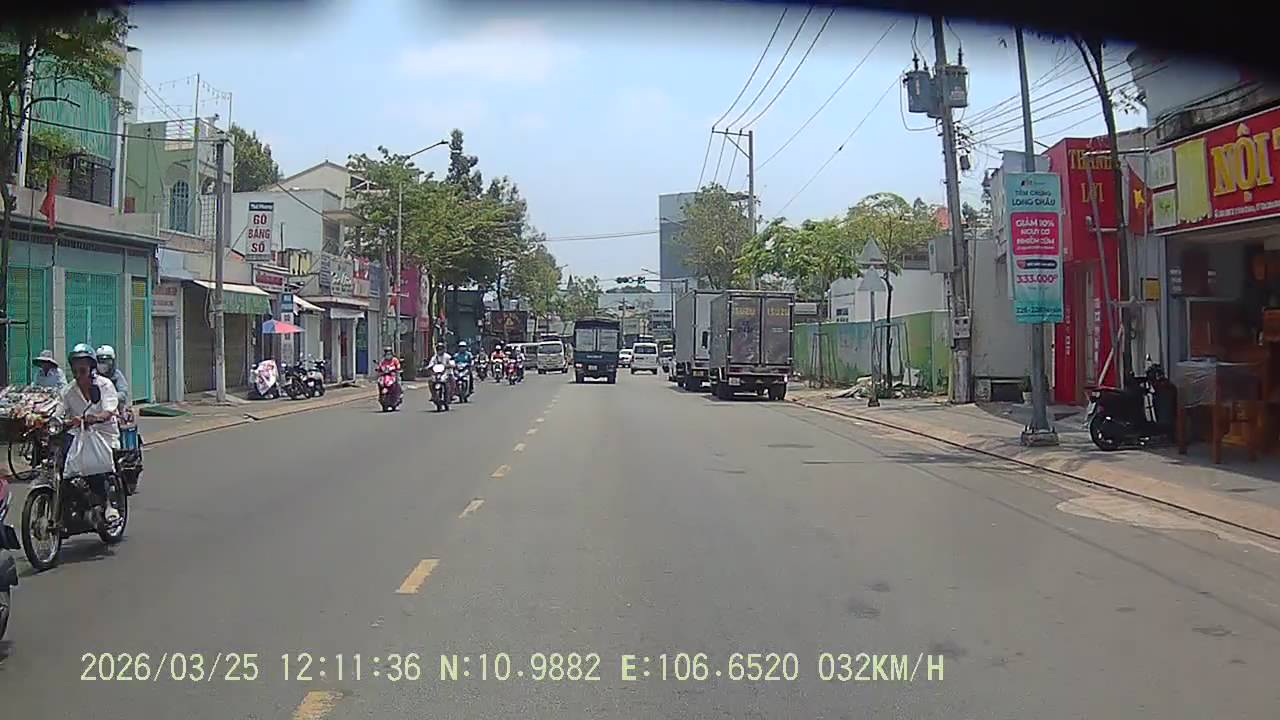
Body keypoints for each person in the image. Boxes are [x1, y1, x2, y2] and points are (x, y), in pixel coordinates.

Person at [62, 343, 122, 530]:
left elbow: (109, 410)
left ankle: (108, 505)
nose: (78, 373)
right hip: (79, 434)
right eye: (75, 369)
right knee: (60, 461)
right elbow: (59, 410)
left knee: (95, 466)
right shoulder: (68, 391)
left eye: (82, 369)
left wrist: (96, 418)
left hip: (103, 433)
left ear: (91, 368)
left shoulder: (104, 385)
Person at [94, 345, 130, 410]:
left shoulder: (116, 374)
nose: (103, 364)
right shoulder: (94, 375)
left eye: (106, 361)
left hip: (114, 408)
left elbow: (123, 394)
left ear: (112, 361)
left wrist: (110, 396)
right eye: (101, 361)